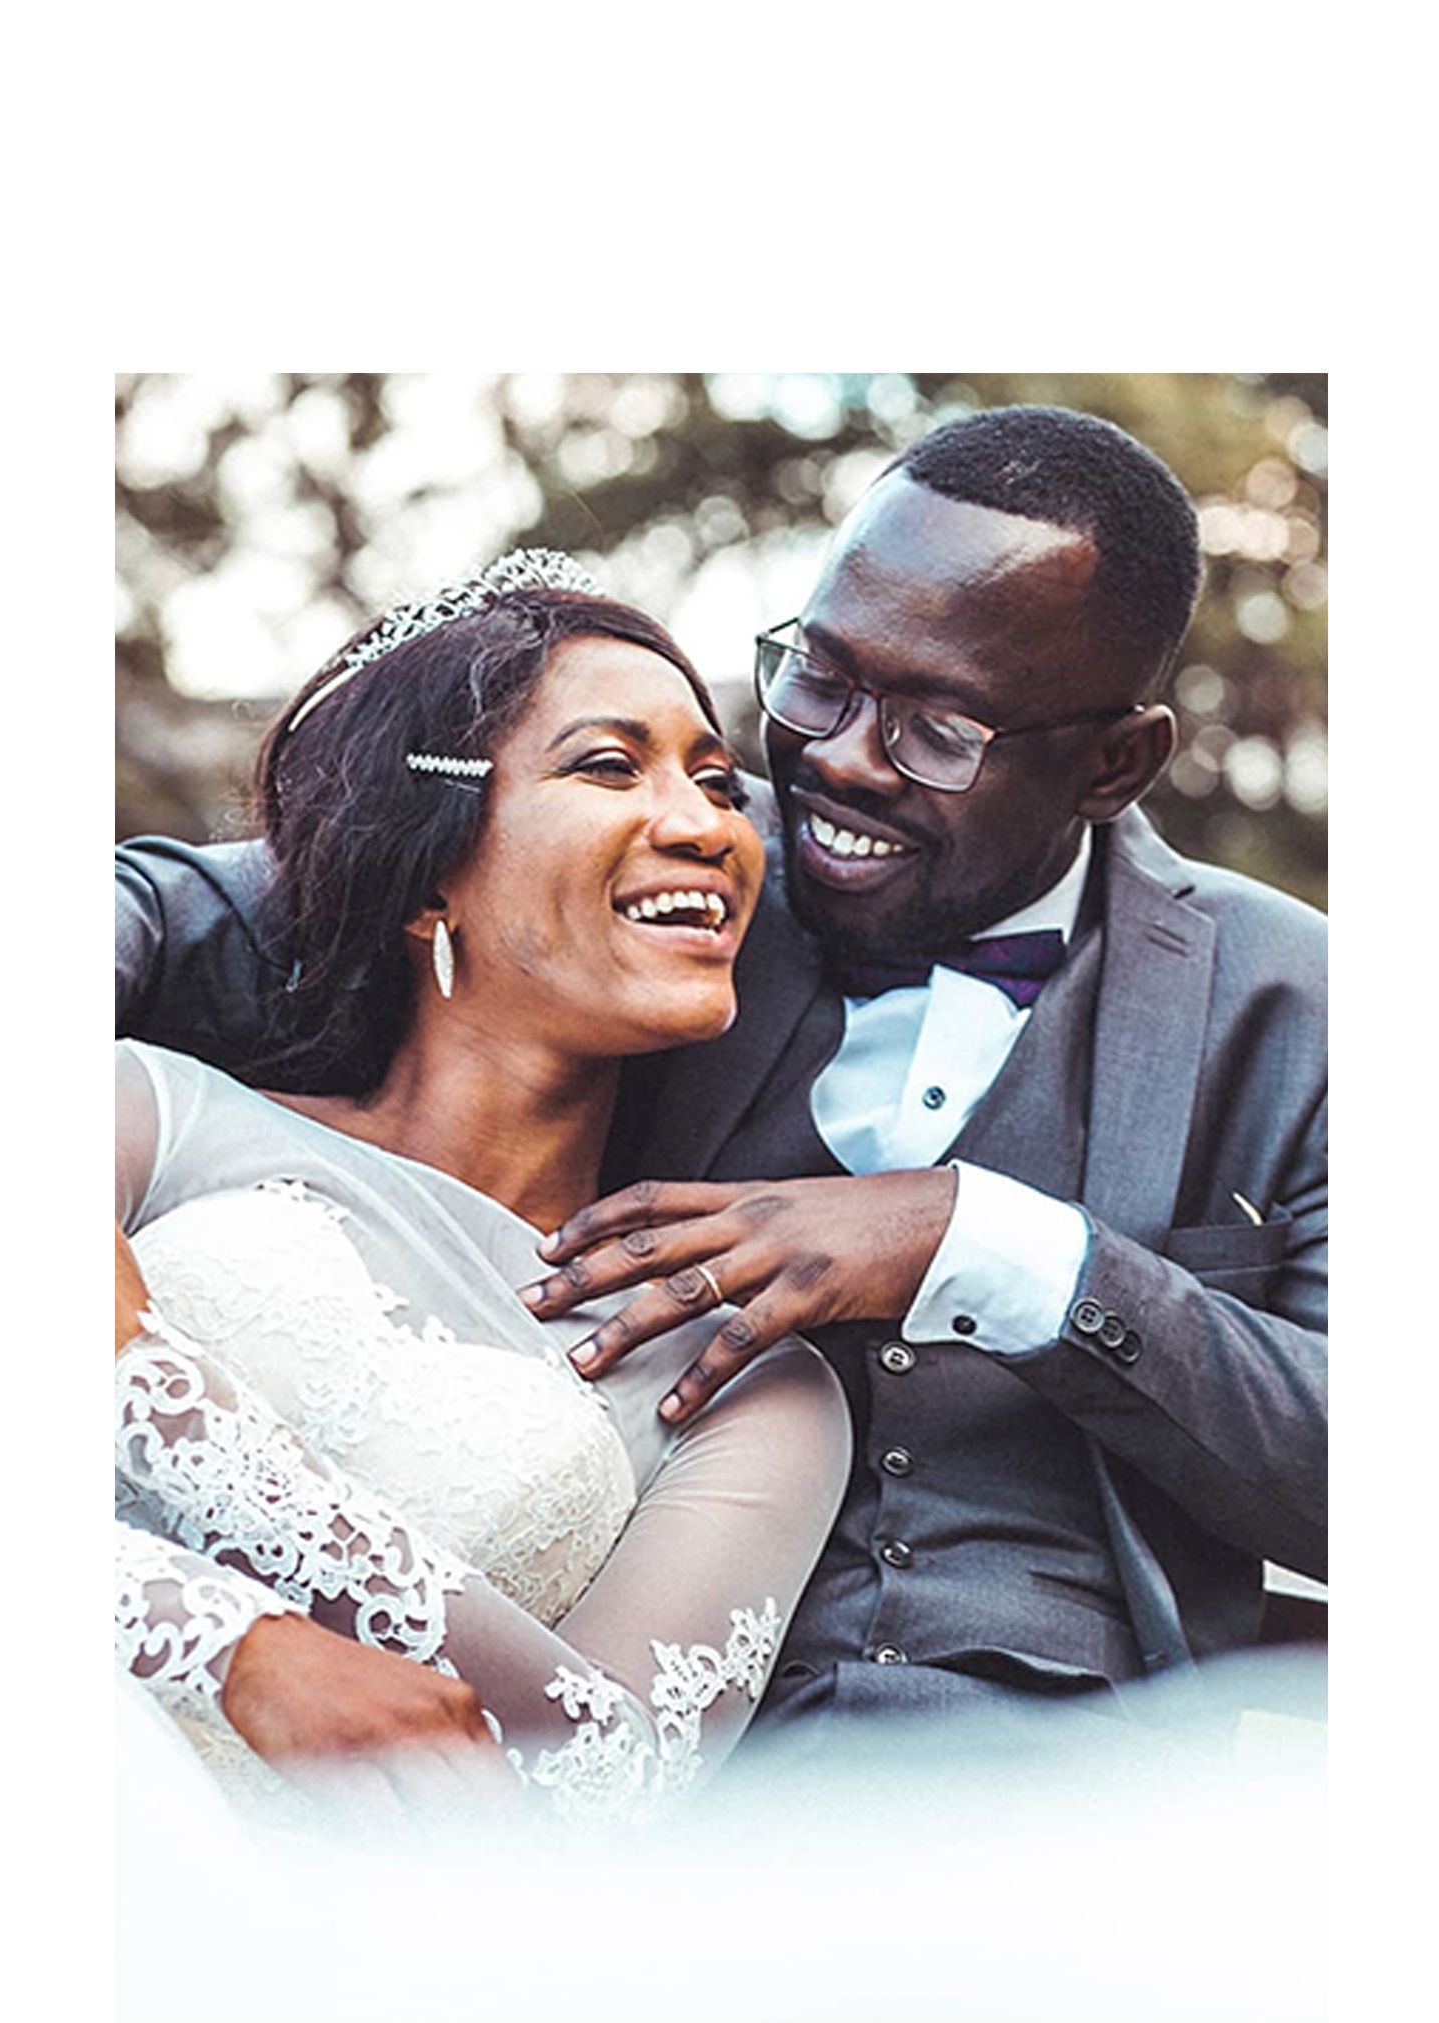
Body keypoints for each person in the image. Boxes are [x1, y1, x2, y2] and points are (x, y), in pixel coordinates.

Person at [117, 407, 1326, 1763]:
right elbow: (247, 880)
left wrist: (981, 1244)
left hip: (1059, 1792)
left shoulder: (1295, 1004)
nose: (840, 760)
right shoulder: (679, 862)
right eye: (818, 676)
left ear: (1117, 763)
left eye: (939, 729)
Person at [114, 552, 851, 1821]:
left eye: (718, 782)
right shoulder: (147, 1114)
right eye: (610, 765)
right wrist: (218, 1638)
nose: (709, 828)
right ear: (423, 873)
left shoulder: (749, 1384)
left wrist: (144, 1382)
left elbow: (601, 1783)